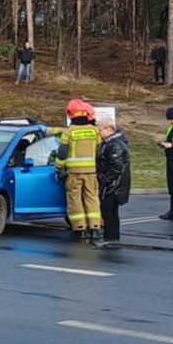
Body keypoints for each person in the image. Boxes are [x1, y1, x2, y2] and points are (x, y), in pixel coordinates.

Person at [54, 99, 103, 243]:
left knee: (74, 200)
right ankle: (95, 228)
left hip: (74, 173)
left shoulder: (69, 132)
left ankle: (79, 229)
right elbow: (100, 152)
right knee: (92, 199)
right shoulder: (95, 131)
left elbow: (62, 153)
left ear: (70, 114)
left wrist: (59, 167)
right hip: (92, 172)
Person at [96, 119, 131, 249]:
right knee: (108, 211)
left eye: (100, 130)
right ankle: (110, 237)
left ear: (109, 129)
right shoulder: (111, 143)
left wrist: (105, 180)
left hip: (114, 185)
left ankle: (111, 238)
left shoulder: (115, 144)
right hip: (113, 184)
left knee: (109, 210)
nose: (99, 133)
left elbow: (116, 167)